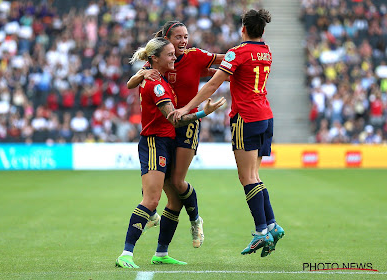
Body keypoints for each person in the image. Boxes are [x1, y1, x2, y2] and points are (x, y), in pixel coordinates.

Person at [169, 9, 285, 257]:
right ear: (262, 30)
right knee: (255, 175)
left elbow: (213, 84)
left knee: (247, 178)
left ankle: (261, 231)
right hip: (265, 116)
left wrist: (187, 107)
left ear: (243, 27)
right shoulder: (266, 51)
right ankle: (272, 225)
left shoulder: (238, 52)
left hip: (246, 117)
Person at [115, 37, 225, 268]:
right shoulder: (156, 84)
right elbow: (174, 120)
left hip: (166, 141)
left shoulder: (156, 76)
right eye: (170, 54)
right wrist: (203, 113)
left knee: (174, 198)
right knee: (152, 199)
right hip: (156, 142)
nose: (175, 56)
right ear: (155, 59)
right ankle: (126, 253)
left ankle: (161, 253)